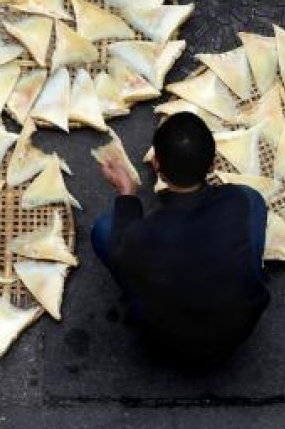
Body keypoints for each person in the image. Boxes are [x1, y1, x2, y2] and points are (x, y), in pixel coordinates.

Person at [92, 113, 270, 367]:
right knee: (254, 200)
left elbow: (121, 246)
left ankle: (137, 294)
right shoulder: (237, 201)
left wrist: (126, 193)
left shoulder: (143, 236)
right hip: (236, 332)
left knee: (104, 229)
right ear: (212, 165)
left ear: (156, 164)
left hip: (168, 343)